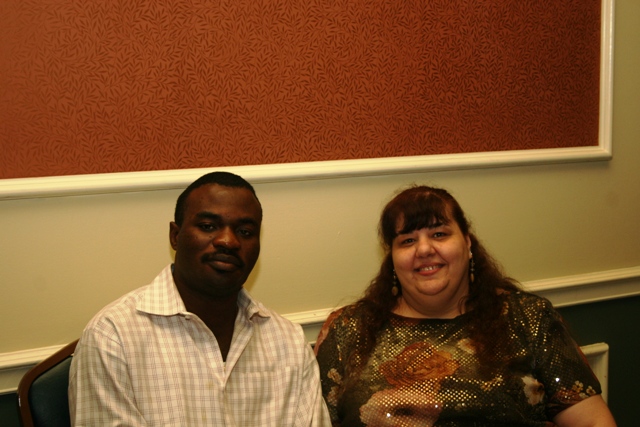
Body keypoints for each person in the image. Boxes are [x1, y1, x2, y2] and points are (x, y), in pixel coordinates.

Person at [314, 185, 616, 427]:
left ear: (468, 243)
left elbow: (592, 421)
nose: (424, 249)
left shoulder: (528, 317)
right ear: (391, 257)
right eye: (407, 241)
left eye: (439, 234)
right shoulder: (348, 329)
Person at [69, 171, 330, 426]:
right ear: (175, 236)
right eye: (208, 227)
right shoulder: (113, 337)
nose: (228, 241)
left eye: (245, 231)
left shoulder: (289, 342)